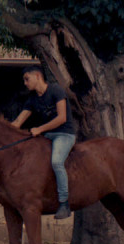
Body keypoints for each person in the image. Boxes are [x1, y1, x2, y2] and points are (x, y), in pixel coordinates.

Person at [11, 65, 76, 219]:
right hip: (47, 136)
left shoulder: (56, 91)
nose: (25, 83)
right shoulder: (32, 99)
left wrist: (40, 129)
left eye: (27, 79)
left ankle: (64, 203)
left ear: (38, 76)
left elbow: (62, 118)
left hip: (64, 134)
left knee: (56, 162)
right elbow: (18, 121)